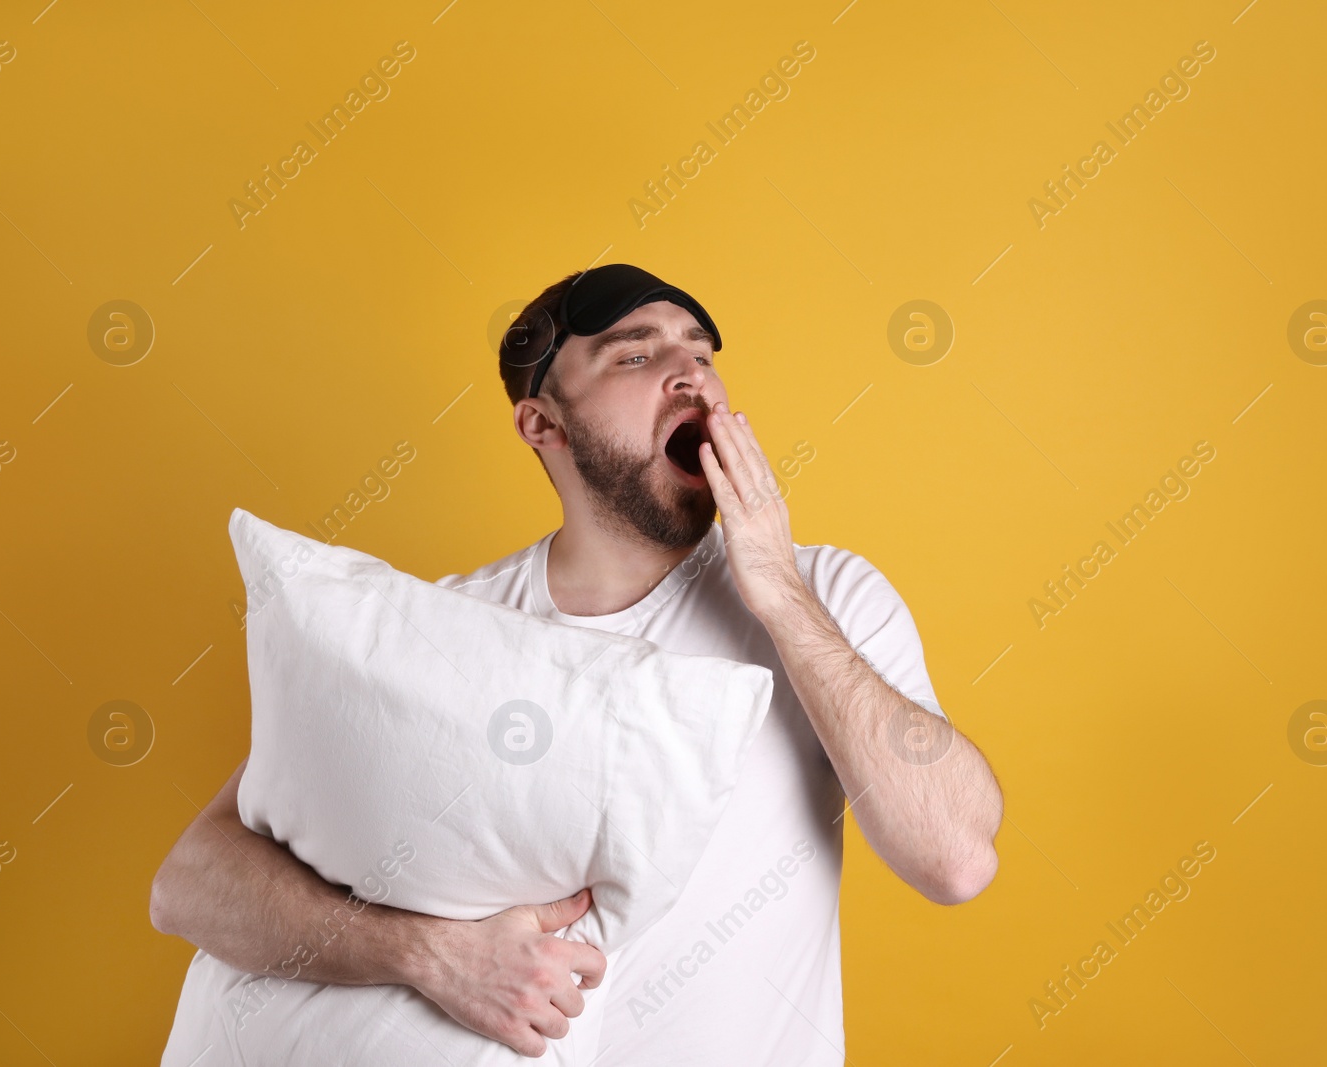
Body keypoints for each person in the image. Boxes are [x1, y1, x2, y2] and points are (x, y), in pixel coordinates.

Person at [150, 263, 1004, 1064]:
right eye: (637, 353)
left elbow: (955, 856)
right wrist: (428, 955)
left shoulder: (826, 597)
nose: (690, 374)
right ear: (543, 422)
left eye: (701, 355)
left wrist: (777, 591)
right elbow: (191, 881)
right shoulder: (443, 629)